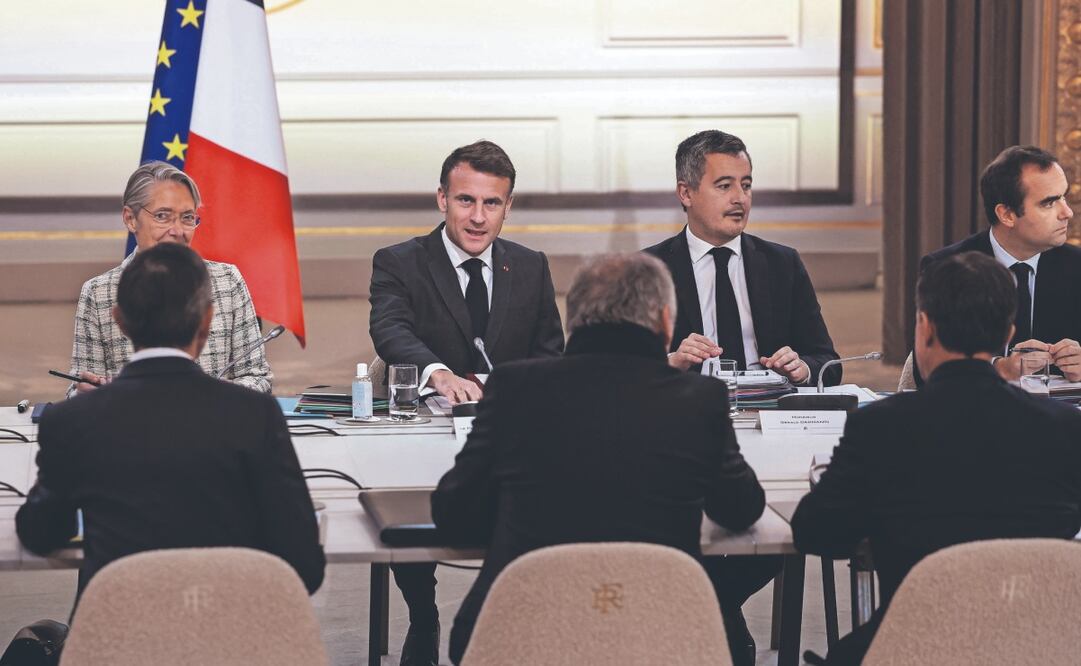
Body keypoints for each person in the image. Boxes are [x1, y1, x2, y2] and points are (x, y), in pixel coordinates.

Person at [433, 253, 775, 666]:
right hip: (658, 639)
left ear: (573, 319)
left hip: (519, 635)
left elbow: (454, 513)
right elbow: (742, 509)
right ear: (665, 323)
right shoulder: (699, 399)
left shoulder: (513, 387)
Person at [791, 251, 1081, 665]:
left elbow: (816, 533)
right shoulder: (1064, 428)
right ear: (1008, 332)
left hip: (911, 646)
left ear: (924, 328)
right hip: (1034, 647)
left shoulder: (880, 428)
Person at [17, 242, 325, 601]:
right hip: (229, 642)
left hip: (114, 642)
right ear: (207, 320)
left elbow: (40, 533)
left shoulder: (71, 421)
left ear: (120, 320)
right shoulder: (255, 415)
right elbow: (305, 567)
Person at [368, 139, 565, 665]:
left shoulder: (531, 266)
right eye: (465, 201)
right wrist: (438, 374)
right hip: (423, 439)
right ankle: (423, 612)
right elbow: (391, 330)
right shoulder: (400, 262)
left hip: (508, 438)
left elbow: (551, 353)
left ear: (508, 205)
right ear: (441, 199)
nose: (478, 218)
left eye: (492, 203)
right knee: (407, 497)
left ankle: (507, 619)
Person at [644, 130, 841, 385]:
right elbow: (621, 369)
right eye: (725, 186)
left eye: (746, 185)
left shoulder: (782, 263)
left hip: (768, 410)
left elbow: (827, 361)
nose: (740, 198)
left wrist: (802, 369)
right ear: (686, 193)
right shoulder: (649, 270)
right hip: (686, 409)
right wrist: (671, 362)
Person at [67, 161, 272, 396]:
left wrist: (206, 395)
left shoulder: (227, 281)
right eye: (162, 216)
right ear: (130, 219)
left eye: (187, 217)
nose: (177, 230)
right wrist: (85, 392)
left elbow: (258, 378)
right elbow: (76, 389)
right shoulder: (98, 292)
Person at [909, 145, 1081, 387]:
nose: (1067, 212)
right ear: (1007, 215)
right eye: (1049, 203)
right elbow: (926, 371)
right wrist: (996, 368)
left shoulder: (1076, 266)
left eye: (1064, 197)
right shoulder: (947, 268)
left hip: (1061, 417)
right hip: (974, 415)